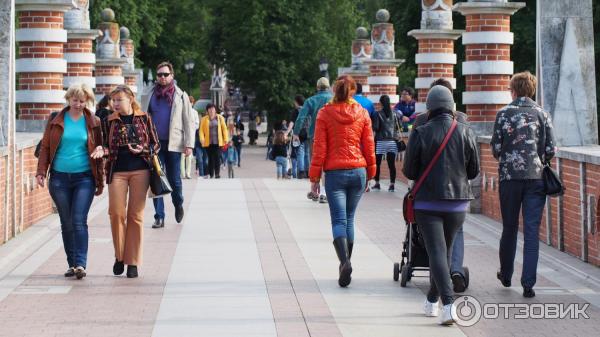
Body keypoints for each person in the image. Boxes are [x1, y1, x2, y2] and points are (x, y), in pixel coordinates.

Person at [403, 85, 479, 325]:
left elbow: (409, 170)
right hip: (457, 204)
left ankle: (448, 306)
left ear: (430, 108)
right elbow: (473, 170)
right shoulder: (466, 131)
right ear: (451, 106)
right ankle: (432, 300)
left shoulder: (421, 132)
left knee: (437, 252)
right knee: (444, 252)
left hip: (428, 202)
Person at [491, 71, 556, 299]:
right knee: (531, 232)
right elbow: (550, 151)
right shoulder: (542, 114)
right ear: (532, 90)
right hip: (536, 179)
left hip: (509, 179)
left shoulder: (503, 114)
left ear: (514, 90)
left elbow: (496, 149)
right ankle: (528, 284)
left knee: (509, 227)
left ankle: (506, 274)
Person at [309, 75, 376, 287]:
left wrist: (314, 177)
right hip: (358, 171)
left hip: (335, 172)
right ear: (353, 91)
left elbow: (319, 147)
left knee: (339, 220)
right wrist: (371, 172)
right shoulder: (363, 113)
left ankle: (344, 262)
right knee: (350, 218)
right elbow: (369, 145)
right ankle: (346, 263)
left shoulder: (324, 113)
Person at [36, 84, 105, 280]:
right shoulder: (55, 120)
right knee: (66, 222)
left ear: (87, 101)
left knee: (78, 220)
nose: (78, 104)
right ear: (69, 99)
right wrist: (41, 172)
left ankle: (81, 263)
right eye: (75, 100)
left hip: (84, 177)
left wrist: (100, 177)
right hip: (59, 178)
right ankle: (72, 263)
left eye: (82, 101)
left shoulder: (94, 122)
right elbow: (46, 148)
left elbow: (100, 148)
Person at [412, 78, 469, 293]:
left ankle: (440, 300)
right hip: (457, 193)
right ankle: (455, 271)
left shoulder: (420, 122)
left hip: (427, 193)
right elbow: (473, 167)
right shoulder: (463, 122)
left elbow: (410, 167)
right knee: (457, 233)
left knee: (436, 247)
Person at [101, 85, 159, 279]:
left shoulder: (144, 118)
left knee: (136, 216)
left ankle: (132, 262)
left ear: (130, 99)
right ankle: (119, 256)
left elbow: (155, 144)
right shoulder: (108, 120)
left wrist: (142, 149)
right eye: (113, 100)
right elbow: (103, 144)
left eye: (119, 100)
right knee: (116, 213)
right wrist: (103, 150)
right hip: (117, 171)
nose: (116, 103)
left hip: (140, 170)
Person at [142, 61, 196, 228]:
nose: (163, 77)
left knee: (174, 180)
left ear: (172, 76)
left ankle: (178, 203)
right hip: (154, 144)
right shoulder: (148, 94)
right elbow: (142, 118)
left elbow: (188, 121)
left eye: (166, 74)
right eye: (160, 75)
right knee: (156, 179)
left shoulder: (180, 95)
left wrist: (189, 144)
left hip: (174, 143)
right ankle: (159, 216)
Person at [293, 77, 333, 203]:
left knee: (315, 163)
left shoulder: (311, 100)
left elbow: (301, 117)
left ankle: (314, 190)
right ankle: (325, 193)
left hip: (315, 136)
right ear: (329, 87)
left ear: (317, 87)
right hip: (331, 136)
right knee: (328, 164)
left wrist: (296, 133)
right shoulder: (334, 100)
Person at [371, 94, 399, 192]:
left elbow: (376, 127)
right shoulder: (395, 113)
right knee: (391, 165)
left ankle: (377, 183)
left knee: (377, 164)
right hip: (392, 141)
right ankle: (392, 185)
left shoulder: (377, 114)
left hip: (380, 141)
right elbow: (398, 127)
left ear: (381, 103)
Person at [199, 103, 229, 178]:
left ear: (215, 110)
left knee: (217, 157)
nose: (211, 110)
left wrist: (226, 139)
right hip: (208, 142)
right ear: (207, 111)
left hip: (218, 142)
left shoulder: (220, 118)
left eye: (212, 109)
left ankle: (217, 174)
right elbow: (201, 131)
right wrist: (202, 138)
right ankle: (211, 174)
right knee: (210, 158)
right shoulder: (204, 119)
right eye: (209, 109)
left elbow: (224, 129)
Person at [285, 95, 307, 178]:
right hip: (308, 133)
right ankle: (307, 171)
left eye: (294, 102)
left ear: (297, 102)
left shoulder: (296, 111)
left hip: (299, 134)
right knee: (307, 152)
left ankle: (301, 171)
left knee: (300, 152)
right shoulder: (307, 109)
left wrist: (287, 132)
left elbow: (292, 123)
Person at [181, 95, 200, 179]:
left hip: (191, 136)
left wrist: (191, 128)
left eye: (191, 102)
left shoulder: (194, 112)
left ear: (193, 103)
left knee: (189, 156)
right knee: (182, 156)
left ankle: (188, 173)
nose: (190, 104)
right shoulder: (182, 111)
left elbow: (197, 124)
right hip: (182, 136)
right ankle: (182, 173)